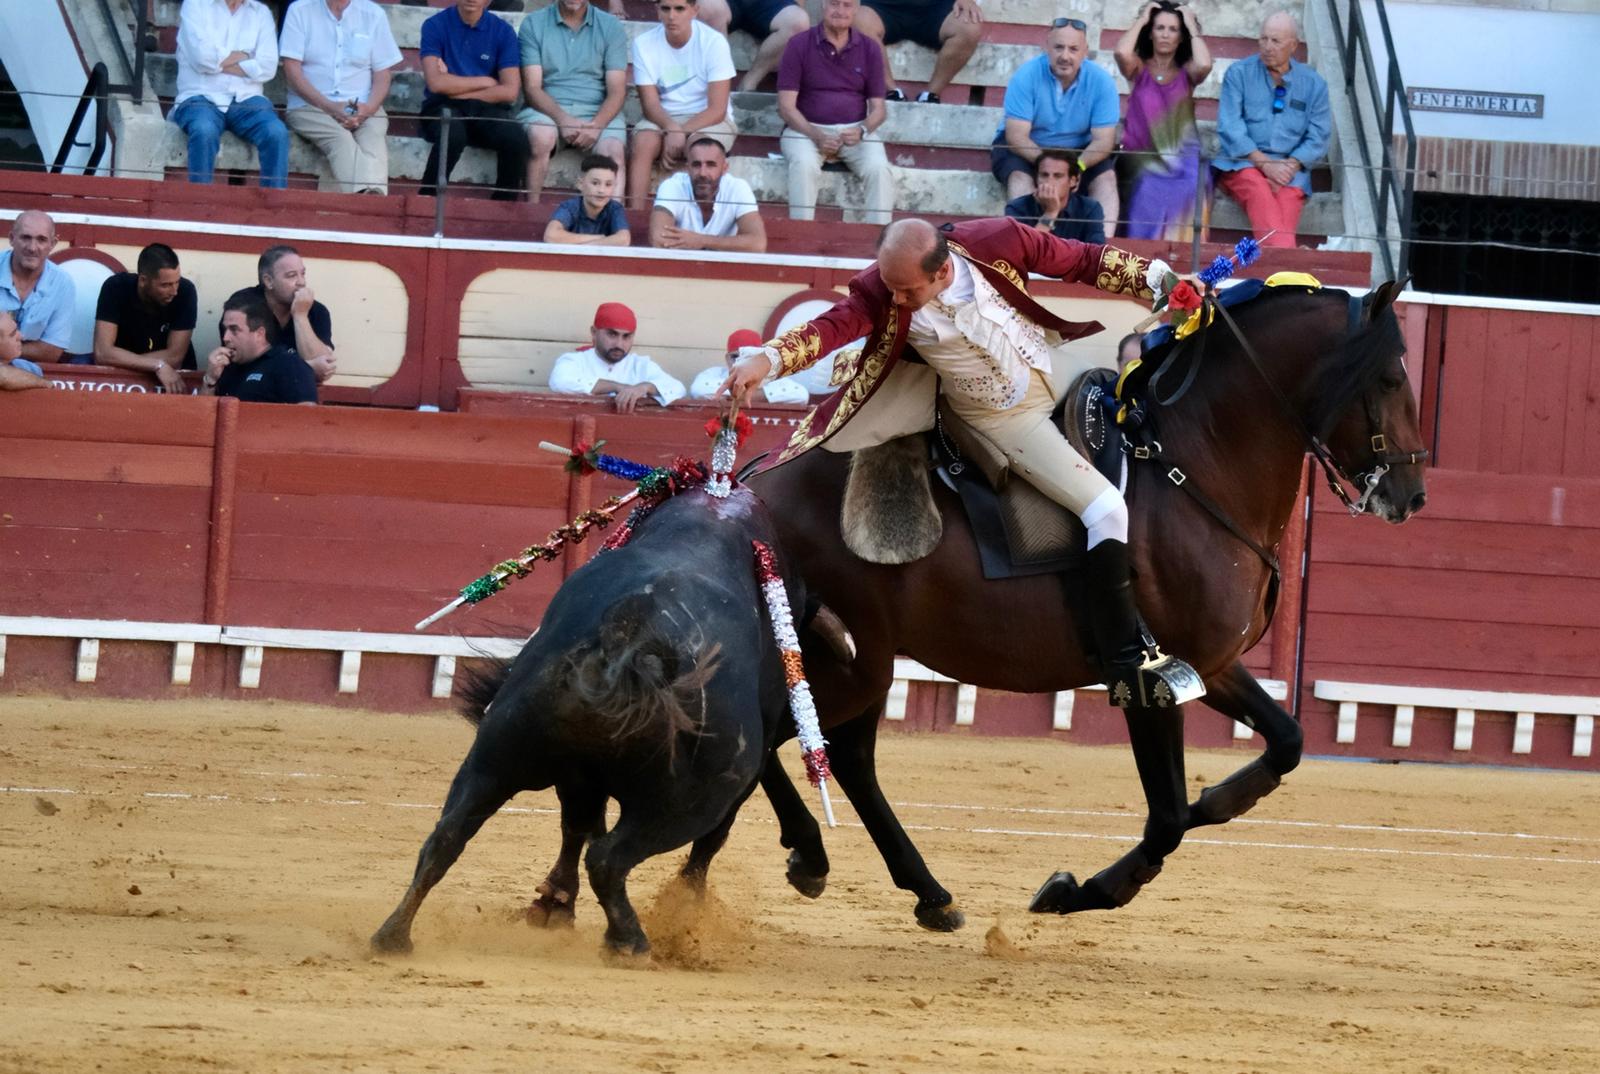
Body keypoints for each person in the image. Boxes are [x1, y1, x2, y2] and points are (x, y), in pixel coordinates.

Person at [720, 217, 1207, 707]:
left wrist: (1161, 281)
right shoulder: (880, 290)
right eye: (891, 288)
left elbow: (1082, 259)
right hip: (1005, 419)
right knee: (1106, 510)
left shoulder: (998, 240)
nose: (897, 300)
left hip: (1057, 372)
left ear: (942, 271)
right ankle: (1125, 661)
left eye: (908, 291)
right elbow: (832, 326)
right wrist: (768, 359)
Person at [992, 18, 1120, 236]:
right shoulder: (1026, 75)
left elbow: (1104, 141)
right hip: (1029, 148)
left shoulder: (1102, 81)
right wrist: (1049, 167)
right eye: (1059, 47)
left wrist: (1075, 168)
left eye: (1073, 49)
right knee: (1019, 178)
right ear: (1047, 48)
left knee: (1106, 179)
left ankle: (1104, 250)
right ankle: (1022, 241)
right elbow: (1016, 136)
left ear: (1085, 52)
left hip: (1079, 153)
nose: (1065, 56)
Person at [1214, 11, 1330, 248]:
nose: (1267, 47)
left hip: (1290, 171)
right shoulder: (1239, 74)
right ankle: (1289, 269)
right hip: (1243, 164)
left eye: (1275, 41)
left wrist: (1289, 166)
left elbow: (1319, 135)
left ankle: (1279, 271)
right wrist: (1266, 166)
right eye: (1263, 39)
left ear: (1293, 45)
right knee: (1257, 189)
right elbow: (1229, 127)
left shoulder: (1314, 84)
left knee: (1288, 198)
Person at [777, 0, 894, 226]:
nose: (840, 11)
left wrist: (862, 130)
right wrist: (816, 135)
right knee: (803, 164)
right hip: (805, 130)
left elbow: (879, 110)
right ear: (822, 5)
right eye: (834, 4)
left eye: (847, 5)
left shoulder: (870, 48)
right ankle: (800, 236)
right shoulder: (798, 44)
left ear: (857, 9)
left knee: (879, 170)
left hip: (855, 130)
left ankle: (880, 247)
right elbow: (786, 107)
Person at [279, 0, 403, 195]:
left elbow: (382, 75)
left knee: (373, 134)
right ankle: (370, 202)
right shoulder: (300, 10)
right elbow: (292, 70)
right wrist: (329, 106)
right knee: (340, 138)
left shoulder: (373, 14)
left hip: (361, 104)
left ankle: (372, 203)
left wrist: (367, 109)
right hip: (310, 105)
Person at [1114, 1, 1213, 240]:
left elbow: (1205, 64)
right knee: (1148, 186)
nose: (1166, 34)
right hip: (1143, 157)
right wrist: (1143, 18)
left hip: (1184, 158)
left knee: (1194, 183)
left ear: (1181, 37)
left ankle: (1183, 255)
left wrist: (1190, 23)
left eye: (1173, 29)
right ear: (1151, 32)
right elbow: (1121, 53)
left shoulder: (1187, 72)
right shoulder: (1138, 68)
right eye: (1159, 28)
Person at [628, 0, 737, 211]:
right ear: (656, 10)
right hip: (664, 117)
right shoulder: (643, 43)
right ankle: (635, 216)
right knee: (643, 141)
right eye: (665, 8)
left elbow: (717, 109)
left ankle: (703, 216)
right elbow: (649, 105)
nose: (672, 16)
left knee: (700, 149)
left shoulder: (713, 42)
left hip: (709, 118)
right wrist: (672, 127)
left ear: (695, 10)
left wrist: (680, 132)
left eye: (679, 9)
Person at [417, 0, 531, 201]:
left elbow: (510, 91)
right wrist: (486, 81)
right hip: (442, 105)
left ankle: (504, 206)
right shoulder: (435, 25)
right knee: (451, 133)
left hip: (485, 108)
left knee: (516, 138)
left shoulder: (503, 31)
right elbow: (435, 84)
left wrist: (453, 88)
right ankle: (427, 198)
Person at [518, 0, 630, 203]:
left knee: (613, 153)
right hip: (548, 108)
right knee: (540, 137)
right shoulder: (534, 23)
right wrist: (562, 118)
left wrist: (597, 126)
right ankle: (530, 210)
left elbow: (617, 91)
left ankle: (613, 224)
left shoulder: (611, 26)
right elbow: (532, 88)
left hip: (598, 109)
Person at [171, 0, 290, 189]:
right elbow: (202, 58)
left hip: (247, 98)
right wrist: (247, 56)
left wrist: (217, 63)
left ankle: (273, 211)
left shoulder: (261, 12)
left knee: (276, 133)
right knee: (204, 130)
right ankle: (199, 207)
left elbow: (268, 67)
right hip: (200, 95)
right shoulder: (195, 5)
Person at [92, 243, 198, 393]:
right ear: (143, 280)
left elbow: (175, 356)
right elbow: (102, 353)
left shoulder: (185, 291)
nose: (174, 291)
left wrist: (123, 359)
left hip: (175, 378)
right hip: (123, 380)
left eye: (177, 282)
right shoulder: (116, 287)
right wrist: (157, 365)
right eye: (165, 285)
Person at [547, 301, 686, 413]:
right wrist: (617, 387)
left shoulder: (641, 365)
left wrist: (645, 387)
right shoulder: (575, 360)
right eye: (612, 334)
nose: (619, 344)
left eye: (626, 336)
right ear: (594, 332)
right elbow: (560, 382)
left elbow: (678, 389)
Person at [200, 289, 320, 404]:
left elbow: (307, 418)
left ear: (259, 333)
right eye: (225, 329)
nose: (225, 337)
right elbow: (201, 417)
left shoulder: (289, 365)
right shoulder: (225, 368)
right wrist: (210, 379)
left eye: (234, 329)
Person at [649, 138, 768, 252]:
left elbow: (757, 243)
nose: (702, 173)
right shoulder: (672, 186)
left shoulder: (737, 188)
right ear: (687, 168)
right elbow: (658, 239)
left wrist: (701, 240)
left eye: (710, 165)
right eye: (696, 165)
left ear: (724, 168)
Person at [857, 0, 981, 104]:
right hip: (881, 6)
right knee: (857, 21)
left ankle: (930, 95)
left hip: (936, 8)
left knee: (969, 28)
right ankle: (892, 93)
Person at [248, 245, 337, 382]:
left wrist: (300, 316)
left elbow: (322, 371)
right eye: (291, 276)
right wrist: (306, 367)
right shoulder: (244, 306)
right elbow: (245, 367)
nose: (301, 282)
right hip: (253, 392)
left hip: (299, 395)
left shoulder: (317, 311)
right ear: (268, 281)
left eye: (303, 273)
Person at [0, 211, 75, 365]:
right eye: (25, 237)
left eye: (41, 240)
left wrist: (5, 350)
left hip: (31, 370)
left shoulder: (63, 283)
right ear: (12, 239)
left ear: (53, 244)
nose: (32, 248)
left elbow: (52, 351)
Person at [697, 0, 810, 92]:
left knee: (798, 22)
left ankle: (748, 84)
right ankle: (720, 85)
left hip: (768, 3)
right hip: (722, 3)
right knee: (707, 8)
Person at [1003, 150, 1105, 243]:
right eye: (1044, 175)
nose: (1049, 182)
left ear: (1073, 181)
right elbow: (1024, 251)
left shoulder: (1090, 208)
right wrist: (1050, 214)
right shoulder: (1017, 207)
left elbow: (1097, 251)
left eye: (1058, 176)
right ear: (1036, 178)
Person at [689, 328, 808, 403]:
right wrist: (752, 395)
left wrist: (740, 395)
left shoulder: (772, 377)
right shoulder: (714, 373)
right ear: (727, 358)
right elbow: (698, 389)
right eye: (735, 357)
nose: (740, 362)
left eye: (748, 357)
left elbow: (801, 394)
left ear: (759, 358)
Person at [544, 154, 632, 245]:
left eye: (608, 185)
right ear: (580, 184)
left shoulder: (614, 208)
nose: (601, 190)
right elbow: (551, 236)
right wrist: (600, 238)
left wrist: (585, 247)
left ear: (614, 187)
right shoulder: (570, 207)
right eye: (595, 183)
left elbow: (624, 239)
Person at [0, 311, 49, 391]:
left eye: (17, 330)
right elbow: (3, 376)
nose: (21, 337)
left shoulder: (30, 368)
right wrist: (46, 383)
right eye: (12, 334)